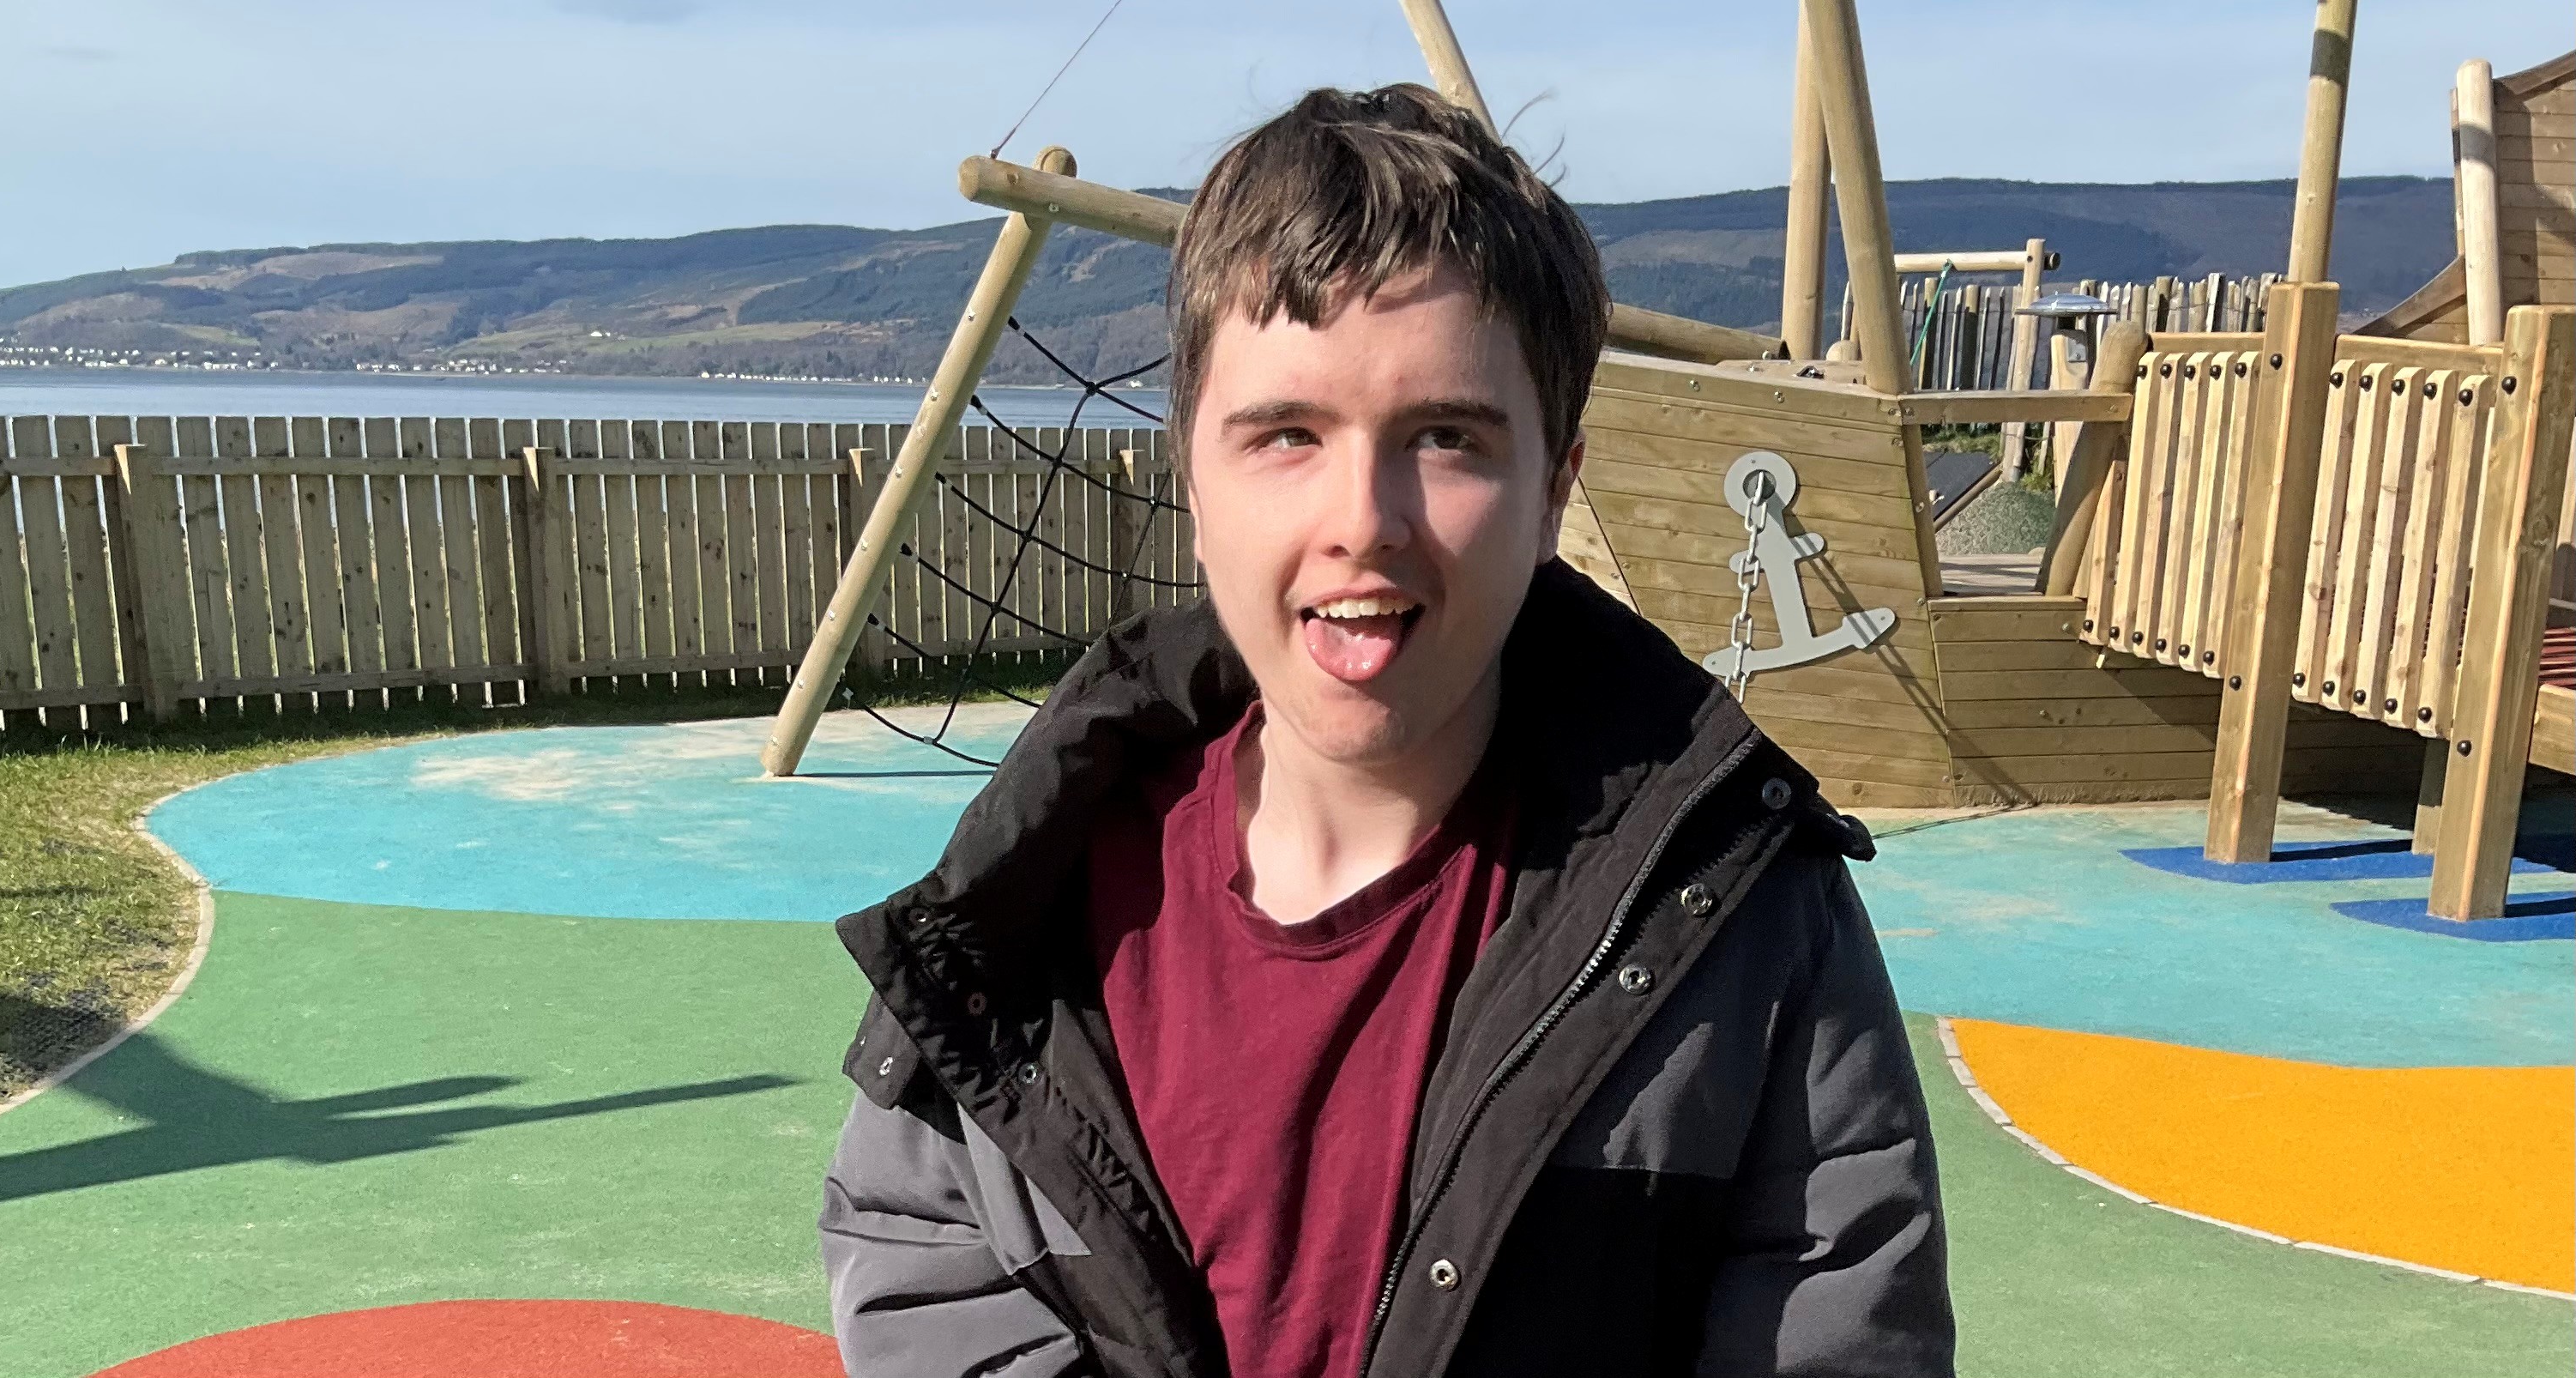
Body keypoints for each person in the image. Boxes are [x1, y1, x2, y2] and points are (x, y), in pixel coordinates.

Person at [817, 83, 1952, 1378]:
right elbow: (916, 1253)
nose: (1366, 516)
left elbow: (1842, 1326)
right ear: (1192, 479)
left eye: (1448, 437)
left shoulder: (1740, 915)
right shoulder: (1024, 912)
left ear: (1551, 491)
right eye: (1287, 433)